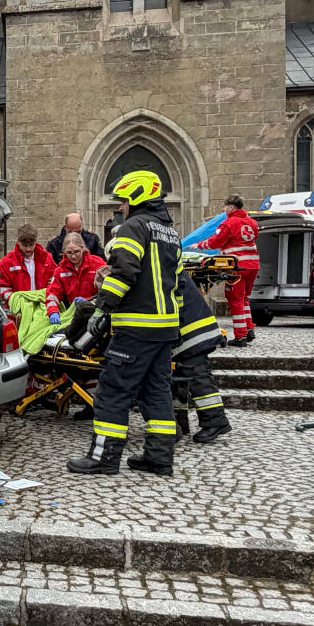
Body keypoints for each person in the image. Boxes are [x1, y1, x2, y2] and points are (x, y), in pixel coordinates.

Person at [69, 170, 182, 477]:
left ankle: (103, 457)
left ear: (136, 199)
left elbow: (123, 274)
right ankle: (159, 458)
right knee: (156, 391)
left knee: (113, 391)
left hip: (135, 327)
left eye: (123, 201)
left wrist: (102, 310)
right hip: (165, 328)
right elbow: (178, 282)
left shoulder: (134, 227)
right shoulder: (170, 232)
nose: (120, 207)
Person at [171, 270, 232, 444]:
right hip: (191, 330)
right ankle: (182, 422)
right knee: (181, 377)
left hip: (191, 332)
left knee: (198, 378)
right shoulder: (167, 261)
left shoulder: (161, 265)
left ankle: (216, 421)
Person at [197, 195, 260, 346]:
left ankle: (240, 337)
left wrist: (199, 245)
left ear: (231, 207)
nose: (224, 210)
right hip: (253, 265)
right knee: (244, 298)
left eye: (225, 207)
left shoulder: (228, 223)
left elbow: (215, 242)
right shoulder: (252, 222)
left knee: (235, 299)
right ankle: (249, 329)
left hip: (237, 266)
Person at [0, 223, 60, 321]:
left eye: (31, 245)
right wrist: (17, 302)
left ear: (36, 242)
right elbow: (3, 287)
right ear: (18, 242)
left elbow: (54, 282)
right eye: (25, 245)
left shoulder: (46, 258)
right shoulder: (7, 262)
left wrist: (46, 299)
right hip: (18, 312)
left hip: (42, 308)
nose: (28, 249)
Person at [48, 232, 108, 309]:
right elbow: (53, 293)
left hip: (95, 309)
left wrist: (89, 301)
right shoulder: (61, 270)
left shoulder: (98, 265)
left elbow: (107, 292)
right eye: (69, 253)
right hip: (74, 310)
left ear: (83, 249)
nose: (73, 256)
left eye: (76, 252)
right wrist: (53, 311)